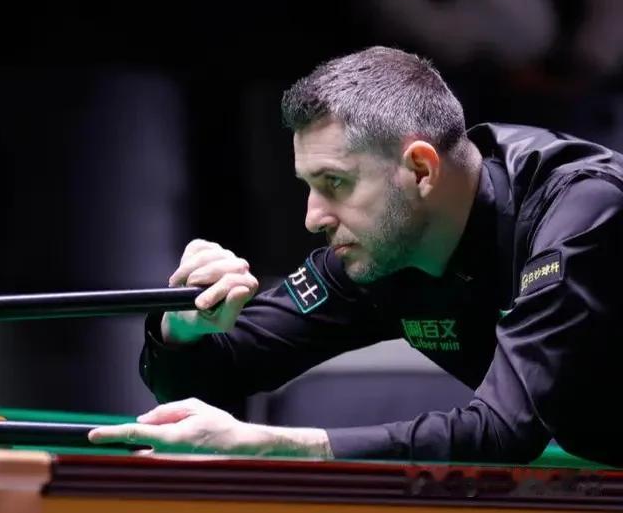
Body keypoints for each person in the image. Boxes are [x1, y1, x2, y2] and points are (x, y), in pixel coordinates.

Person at [88, 45, 623, 466]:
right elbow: (216, 380)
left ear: (420, 169)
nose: (312, 217)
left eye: (335, 182)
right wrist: (182, 330)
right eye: (308, 185)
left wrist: (273, 444)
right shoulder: (382, 251)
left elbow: (504, 431)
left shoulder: (581, 215)